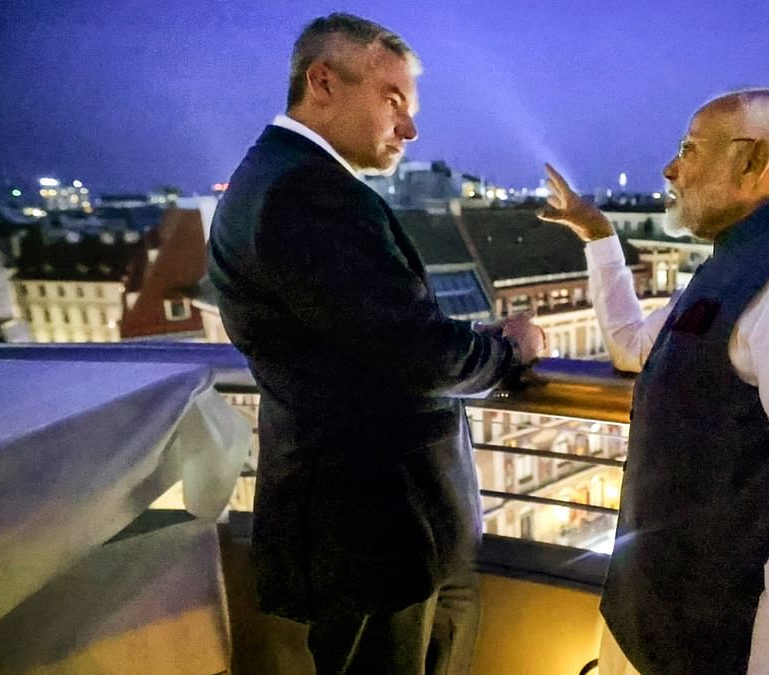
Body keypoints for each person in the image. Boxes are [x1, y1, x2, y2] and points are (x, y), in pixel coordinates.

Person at [206, 13, 544, 675]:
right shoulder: (312, 191)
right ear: (323, 81)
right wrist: (508, 353)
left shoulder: (265, 177)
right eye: (394, 100)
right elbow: (414, 348)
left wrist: (463, 337)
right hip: (373, 526)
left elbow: (361, 330)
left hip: (342, 514)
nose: (410, 128)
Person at [538, 89, 769, 674]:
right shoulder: (735, 266)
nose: (671, 168)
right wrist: (600, 236)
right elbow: (634, 348)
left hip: (725, 644)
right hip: (660, 625)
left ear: (753, 161)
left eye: (690, 149)